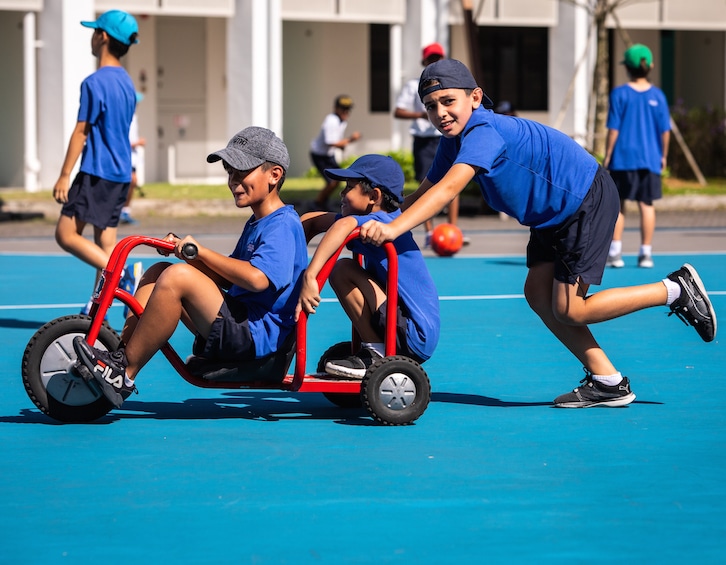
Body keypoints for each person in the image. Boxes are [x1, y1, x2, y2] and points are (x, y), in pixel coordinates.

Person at [359, 58, 717, 408]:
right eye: (431, 106)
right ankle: (608, 381)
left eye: (448, 101)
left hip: (582, 199)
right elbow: (425, 190)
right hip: (553, 214)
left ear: (475, 97)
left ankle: (673, 289)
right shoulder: (454, 141)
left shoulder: (484, 131)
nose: (440, 113)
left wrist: (392, 229)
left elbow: (449, 189)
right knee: (537, 293)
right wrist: (373, 217)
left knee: (571, 309)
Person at [72, 127, 308, 408]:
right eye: (229, 172)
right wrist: (186, 254)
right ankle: (120, 355)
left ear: (274, 175)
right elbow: (228, 278)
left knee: (176, 278)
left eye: (242, 172)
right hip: (241, 323)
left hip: (257, 337)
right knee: (161, 270)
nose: (233, 181)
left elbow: (257, 280)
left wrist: (201, 253)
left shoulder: (282, 225)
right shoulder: (259, 222)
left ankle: (125, 373)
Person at [297, 154, 440, 378]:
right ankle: (374, 347)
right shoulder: (364, 219)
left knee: (342, 269)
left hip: (413, 332)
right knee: (343, 267)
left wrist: (309, 277)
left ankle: (375, 353)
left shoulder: (383, 222)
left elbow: (343, 225)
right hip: (400, 323)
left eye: (350, 187)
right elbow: (312, 220)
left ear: (374, 195)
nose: (342, 193)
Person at [52, 10, 142, 313]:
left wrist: (65, 175)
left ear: (102, 37)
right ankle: (96, 310)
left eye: (94, 32)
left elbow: (81, 131)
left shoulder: (94, 82)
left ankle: (125, 274)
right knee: (105, 245)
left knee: (65, 234)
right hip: (120, 173)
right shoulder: (128, 84)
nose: (92, 37)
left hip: (97, 172)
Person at [604, 43, 671, 269]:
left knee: (618, 206)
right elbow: (665, 131)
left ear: (627, 68)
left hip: (622, 158)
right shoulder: (658, 96)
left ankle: (615, 252)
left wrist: (608, 154)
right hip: (650, 158)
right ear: (650, 66)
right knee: (647, 204)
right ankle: (646, 253)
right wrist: (663, 156)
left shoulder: (619, 94)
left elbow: (613, 129)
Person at [394, 42, 465, 246]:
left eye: (437, 58)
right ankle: (429, 232)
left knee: (455, 181)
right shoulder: (413, 86)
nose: (434, 62)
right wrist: (423, 113)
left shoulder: (452, 85)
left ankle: (453, 230)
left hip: (446, 136)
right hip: (425, 140)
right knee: (428, 183)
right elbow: (398, 111)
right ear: (423, 61)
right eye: (430, 59)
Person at [309, 95, 362, 211]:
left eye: (348, 109)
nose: (346, 112)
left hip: (328, 154)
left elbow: (336, 141)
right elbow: (331, 142)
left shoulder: (341, 121)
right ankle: (317, 203)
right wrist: (351, 139)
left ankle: (322, 201)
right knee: (333, 181)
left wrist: (342, 145)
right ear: (336, 108)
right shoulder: (331, 121)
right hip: (320, 155)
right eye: (343, 109)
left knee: (337, 179)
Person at [120, 92, 147, 225]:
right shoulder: (124, 117)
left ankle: (125, 211)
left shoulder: (133, 116)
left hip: (132, 156)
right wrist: (138, 143)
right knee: (131, 181)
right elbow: (122, 140)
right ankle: (121, 211)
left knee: (132, 182)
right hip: (125, 155)